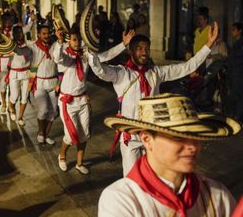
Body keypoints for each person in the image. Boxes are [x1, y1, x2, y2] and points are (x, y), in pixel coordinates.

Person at [88, 22, 219, 175]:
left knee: (153, 176)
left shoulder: (156, 72)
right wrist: (95, 50)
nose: (144, 52)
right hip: (130, 137)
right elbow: (100, 69)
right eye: (140, 49)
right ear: (130, 51)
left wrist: (208, 44)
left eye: (147, 49)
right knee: (132, 179)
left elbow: (187, 67)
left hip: (152, 135)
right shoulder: (121, 73)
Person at [98, 93, 239, 217]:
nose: (193, 147)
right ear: (147, 139)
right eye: (178, 137)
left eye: (196, 137)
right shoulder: (121, 200)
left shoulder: (218, 195)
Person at [53, 27, 134, 174]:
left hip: (82, 100)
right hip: (67, 102)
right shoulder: (66, 57)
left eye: (79, 39)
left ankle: (79, 163)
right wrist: (59, 41)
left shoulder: (86, 55)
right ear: (69, 41)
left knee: (84, 134)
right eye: (74, 39)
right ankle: (62, 155)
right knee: (71, 136)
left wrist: (123, 44)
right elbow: (58, 58)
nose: (77, 43)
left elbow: (105, 56)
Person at [7, 25, 32, 125]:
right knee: (14, 96)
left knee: (25, 97)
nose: (20, 34)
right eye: (17, 33)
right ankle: (11, 108)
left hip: (26, 73)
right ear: (13, 34)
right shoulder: (10, 45)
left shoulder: (29, 44)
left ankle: (20, 117)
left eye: (21, 32)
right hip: (14, 73)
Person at [226, 22, 243, 121]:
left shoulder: (240, 43)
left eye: (234, 29)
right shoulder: (235, 43)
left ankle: (237, 117)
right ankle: (234, 116)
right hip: (233, 73)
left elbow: (237, 59)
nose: (231, 32)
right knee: (233, 95)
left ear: (240, 31)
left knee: (238, 96)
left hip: (239, 73)